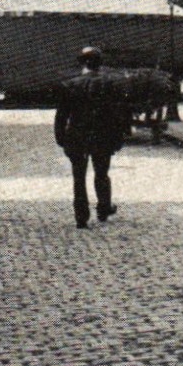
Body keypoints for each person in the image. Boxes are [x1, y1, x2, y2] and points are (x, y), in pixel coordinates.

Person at [54, 46, 130, 230]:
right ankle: (103, 208)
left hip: (77, 136)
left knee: (78, 177)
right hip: (102, 136)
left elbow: (62, 115)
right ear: (99, 63)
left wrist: (61, 138)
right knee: (101, 173)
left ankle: (81, 217)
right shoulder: (112, 84)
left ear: (82, 64)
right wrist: (120, 136)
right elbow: (120, 113)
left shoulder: (70, 85)